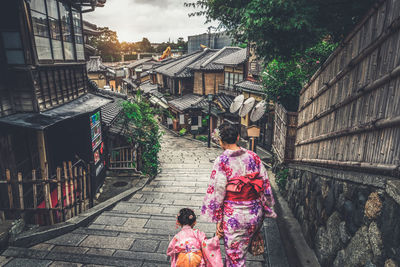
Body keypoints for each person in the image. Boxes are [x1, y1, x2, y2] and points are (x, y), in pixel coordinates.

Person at [202, 123, 276, 266]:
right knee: (240, 253)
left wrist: (218, 218)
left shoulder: (222, 161)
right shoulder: (254, 157)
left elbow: (217, 191)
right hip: (255, 214)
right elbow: (265, 184)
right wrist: (266, 206)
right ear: (237, 137)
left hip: (234, 216)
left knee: (235, 259)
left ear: (221, 141)